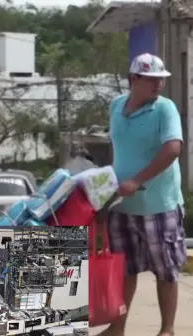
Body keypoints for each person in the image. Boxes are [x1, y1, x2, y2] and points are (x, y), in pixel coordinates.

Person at [100, 53, 186, 336]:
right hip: (122, 207)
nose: (158, 85)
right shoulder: (115, 106)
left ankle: (168, 330)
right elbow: (117, 147)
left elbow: (173, 149)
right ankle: (117, 328)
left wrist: (137, 180)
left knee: (167, 271)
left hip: (158, 206)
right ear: (133, 79)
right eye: (152, 80)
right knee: (124, 270)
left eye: (161, 79)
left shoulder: (165, 109)